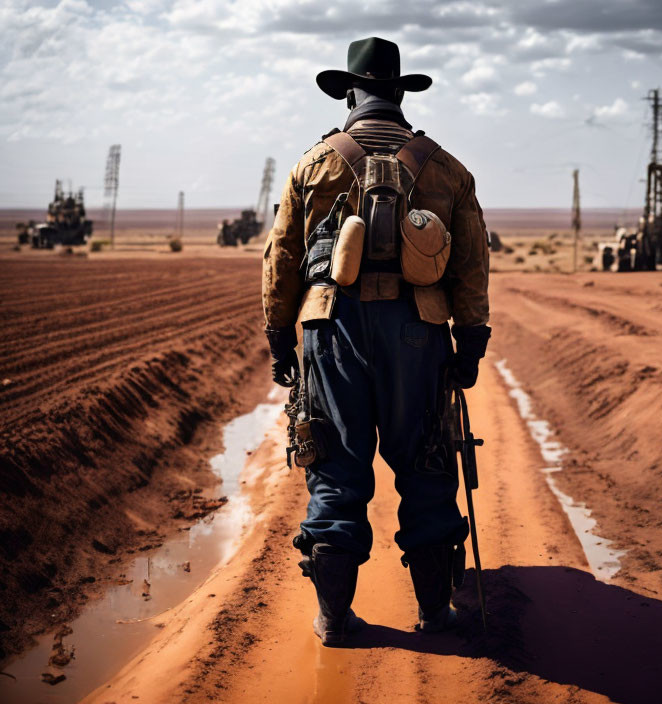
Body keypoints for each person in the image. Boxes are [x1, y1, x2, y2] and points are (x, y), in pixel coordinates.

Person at [262, 37, 490, 646]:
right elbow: (471, 265)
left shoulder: (312, 165)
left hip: (330, 330)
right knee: (427, 462)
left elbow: (281, 259)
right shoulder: (447, 169)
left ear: (350, 94)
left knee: (335, 469)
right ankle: (435, 614)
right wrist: (469, 345)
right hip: (417, 332)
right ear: (398, 93)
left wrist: (279, 340)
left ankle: (335, 620)